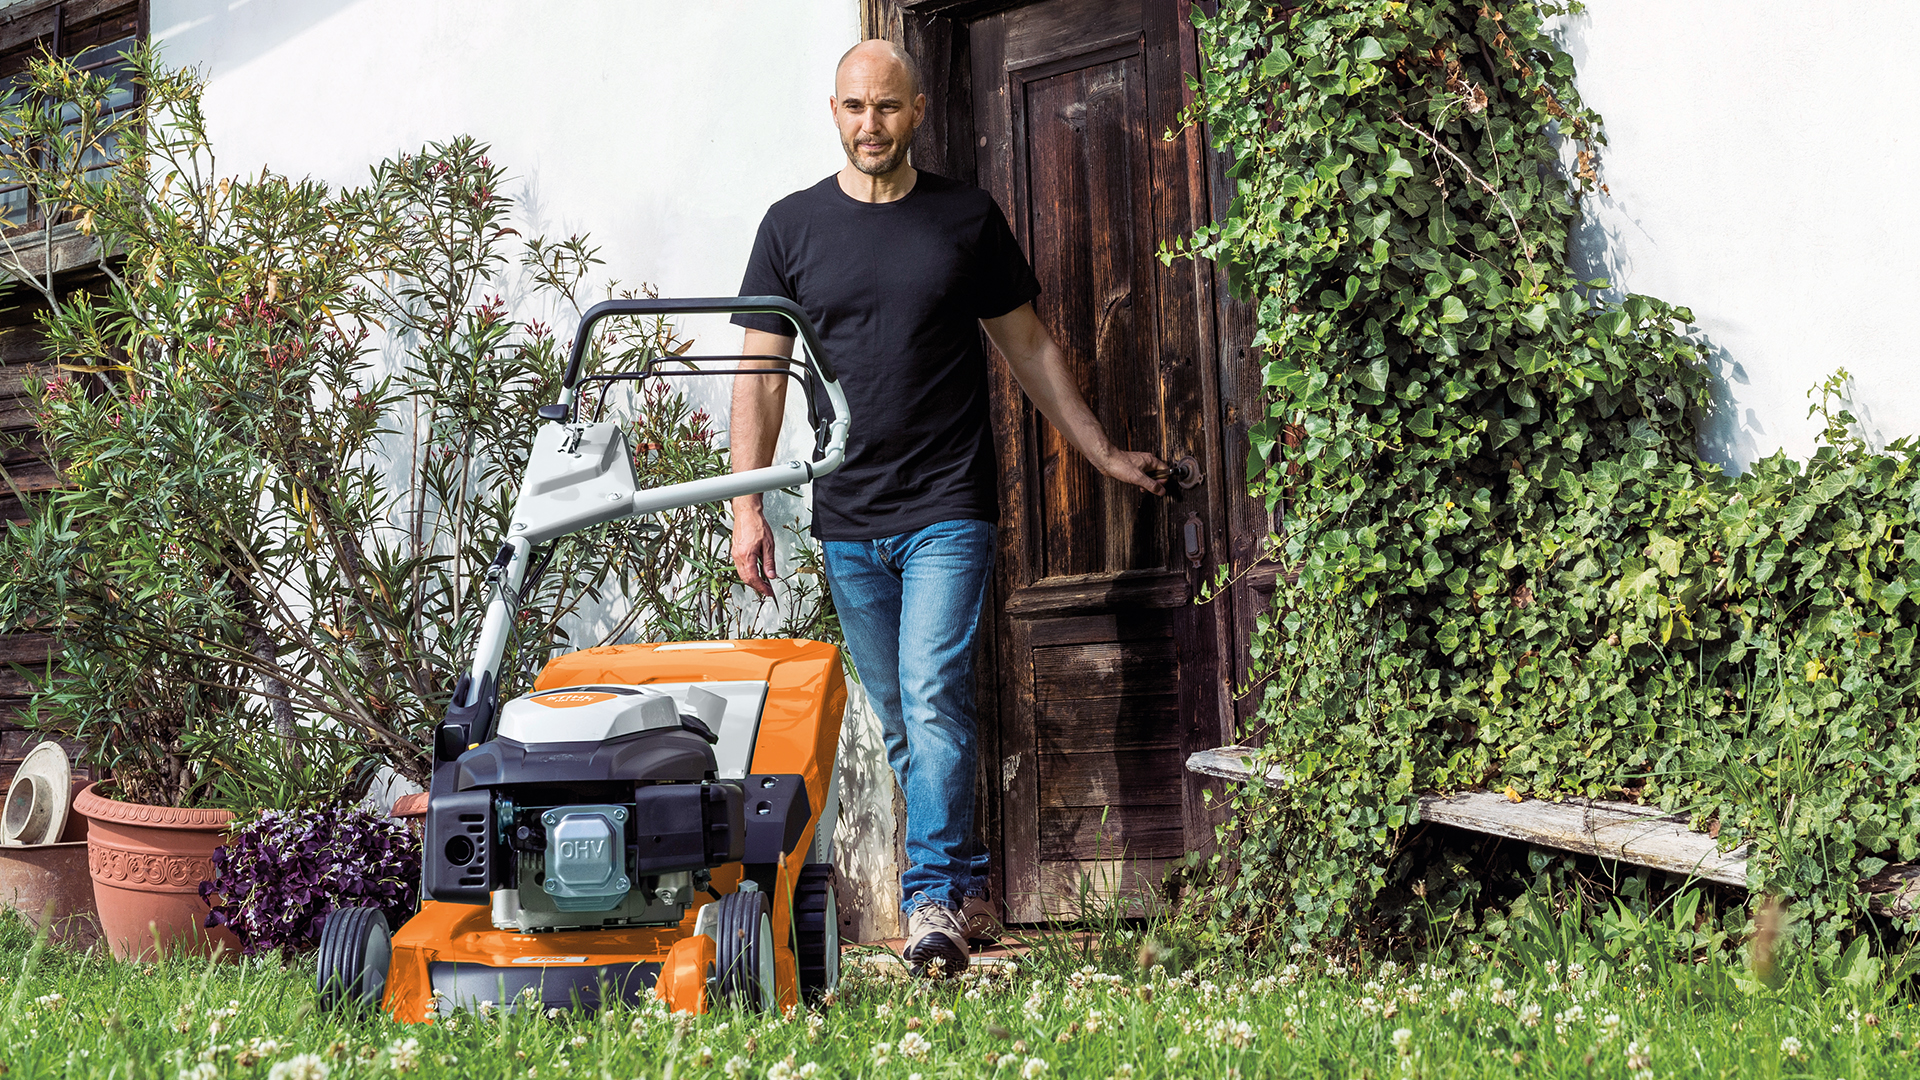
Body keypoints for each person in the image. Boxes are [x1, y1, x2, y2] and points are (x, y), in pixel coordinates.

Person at [727, 38, 1165, 976]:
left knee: (931, 699)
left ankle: (929, 904)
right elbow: (759, 376)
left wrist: (1100, 451)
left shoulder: (964, 218)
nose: (869, 125)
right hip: (847, 515)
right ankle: (967, 883)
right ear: (832, 109)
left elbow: (1032, 351)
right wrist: (746, 507)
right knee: (902, 722)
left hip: (947, 507)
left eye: (886, 108)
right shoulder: (789, 226)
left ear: (917, 111)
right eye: (853, 107)